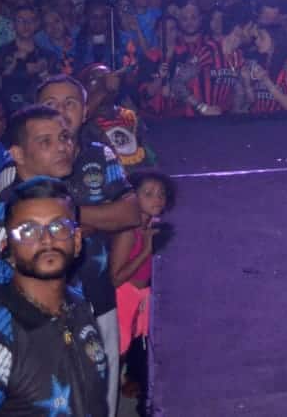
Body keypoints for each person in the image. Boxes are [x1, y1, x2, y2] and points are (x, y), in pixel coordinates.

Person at [0, 178, 110, 417]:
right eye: (28, 231)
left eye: (58, 227)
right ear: (7, 249)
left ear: (76, 241)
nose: (46, 239)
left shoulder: (79, 307)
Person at [110, 169, 175, 413]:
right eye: (148, 194)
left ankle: (127, 382)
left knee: (135, 348)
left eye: (161, 194)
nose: (157, 199)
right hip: (124, 296)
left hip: (141, 297)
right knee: (118, 351)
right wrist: (147, 248)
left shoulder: (150, 225)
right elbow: (116, 278)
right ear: (133, 198)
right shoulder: (129, 230)